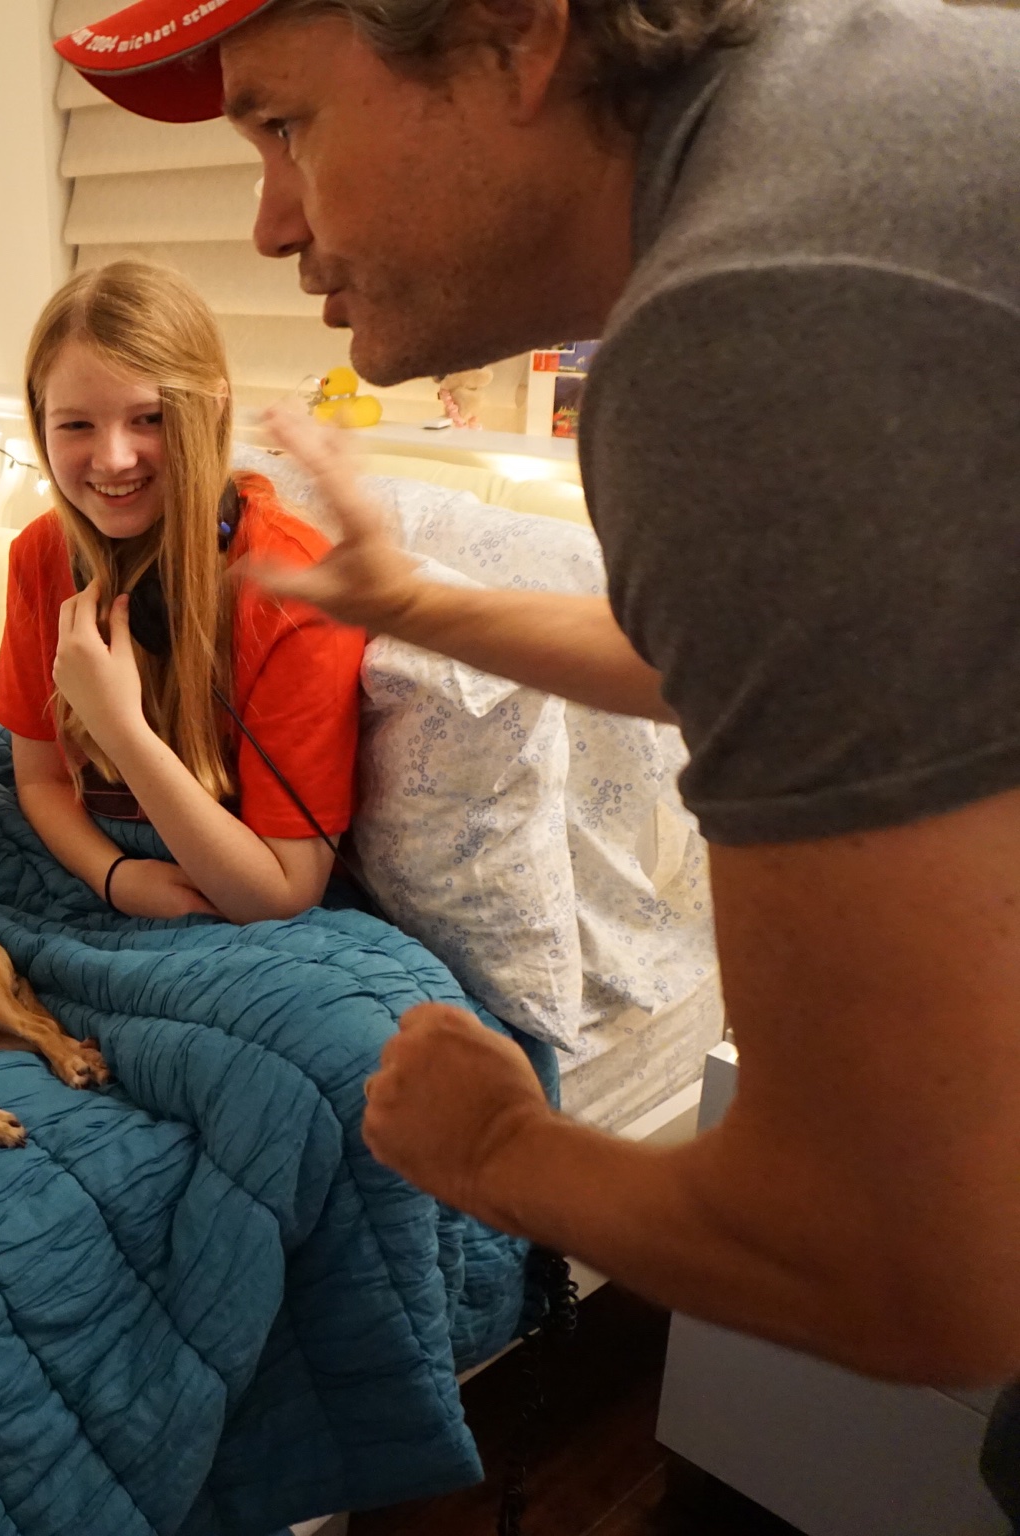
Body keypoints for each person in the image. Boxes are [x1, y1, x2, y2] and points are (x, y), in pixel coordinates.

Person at [56, 0, 1020, 1511]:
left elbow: (902, 1266)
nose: (262, 224)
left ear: (511, 31)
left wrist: (497, 1147)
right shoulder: (843, 132)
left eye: (284, 122)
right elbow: (797, 674)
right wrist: (414, 605)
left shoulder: (749, 317)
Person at [0, 260, 364, 924]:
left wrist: (121, 731)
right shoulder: (39, 555)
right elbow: (39, 779)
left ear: (211, 411)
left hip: (242, 894)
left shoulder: (294, 585)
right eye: (76, 425)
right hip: (104, 863)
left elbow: (281, 892)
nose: (113, 459)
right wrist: (113, 876)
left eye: (149, 418)